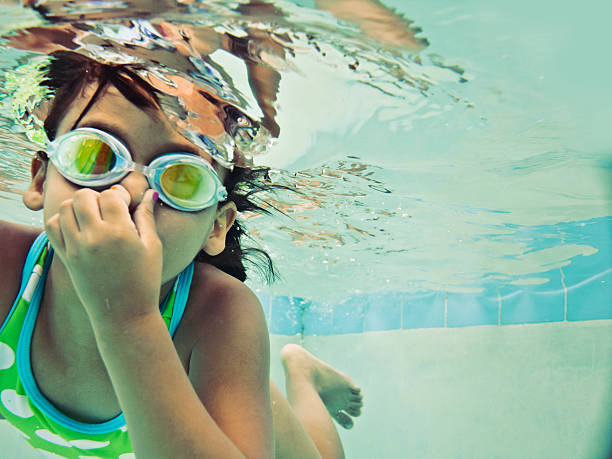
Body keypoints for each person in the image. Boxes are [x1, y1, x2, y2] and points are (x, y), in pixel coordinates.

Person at [0, 50, 363, 458]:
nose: (131, 191)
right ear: (40, 177)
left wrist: (126, 316)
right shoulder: (4, 267)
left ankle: (302, 374)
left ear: (216, 226)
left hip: (216, 381)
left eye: (183, 179)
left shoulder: (219, 315)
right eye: (95, 155)